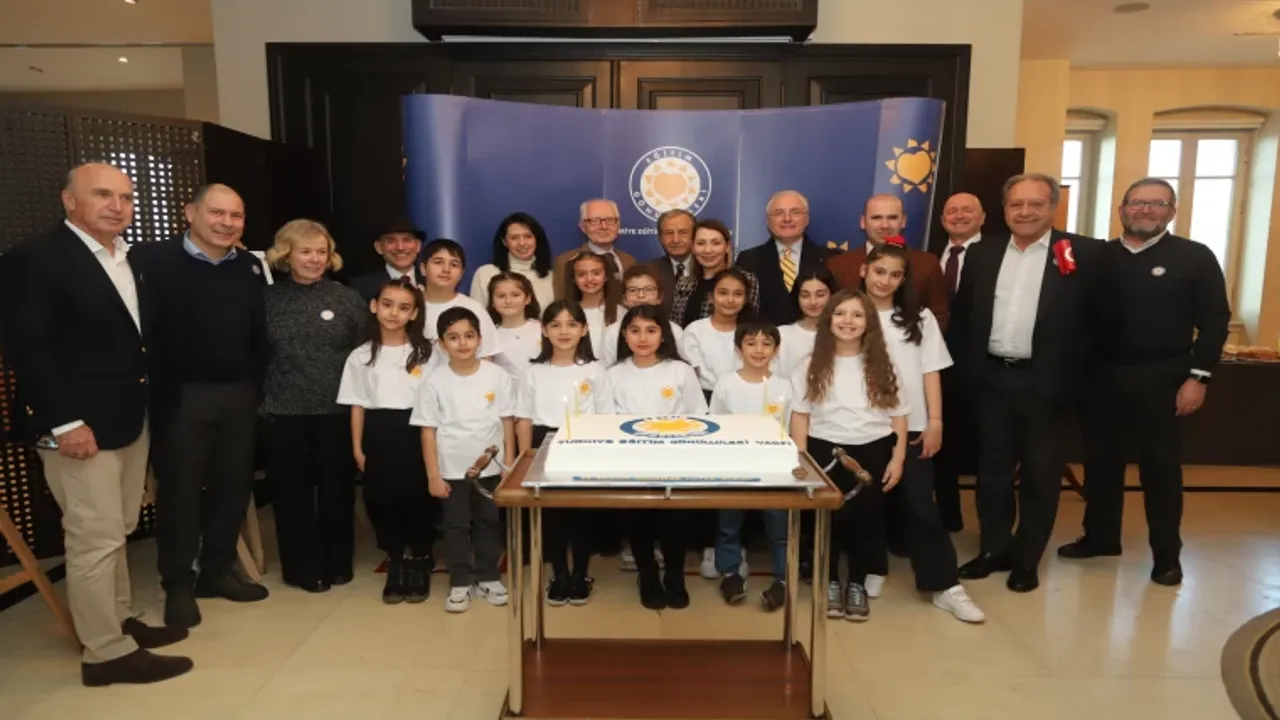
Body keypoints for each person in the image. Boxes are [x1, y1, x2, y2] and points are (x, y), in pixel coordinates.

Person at [2, 163, 192, 685]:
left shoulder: (127, 257)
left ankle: (119, 621)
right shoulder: (34, 259)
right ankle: (105, 653)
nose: (117, 206)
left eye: (126, 197)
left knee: (118, 529)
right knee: (94, 537)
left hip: (128, 417)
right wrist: (65, 423)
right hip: (77, 427)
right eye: (103, 194)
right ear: (69, 200)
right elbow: (27, 349)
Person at [1062, 177, 1230, 587]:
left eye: (1156, 204)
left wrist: (1199, 377)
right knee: (1100, 464)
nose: (1145, 210)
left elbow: (1214, 321)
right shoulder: (1097, 256)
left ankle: (1166, 555)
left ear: (1171, 211)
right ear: (1122, 209)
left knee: (1161, 470)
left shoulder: (1195, 257)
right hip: (1100, 378)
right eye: (1137, 203)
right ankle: (1101, 538)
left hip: (1163, 378)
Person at [951, 173, 1111, 594]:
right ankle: (993, 549)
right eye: (1016, 204)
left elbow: (1103, 321)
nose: (1025, 212)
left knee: (1041, 475)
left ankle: (1026, 559)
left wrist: (1078, 378)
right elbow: (965, 316)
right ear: (1004, 209)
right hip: (992, 380)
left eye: (1035, 204)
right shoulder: (983, 253)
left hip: (1048, 385)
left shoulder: (1082, 253)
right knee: (992, 474)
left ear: (1052, 207)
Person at [131, 183, 269, 630]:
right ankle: (178, 583)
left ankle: (217, 571)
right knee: (181, 492)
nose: (227, 223)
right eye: (217, 213)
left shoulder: (249, 266)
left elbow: (257, 331)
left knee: (232, 486)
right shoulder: (150, 261)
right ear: (190, 212)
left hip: (239, 393)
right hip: (181, 396)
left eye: (236, 215)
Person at [858, 242, 985, 623]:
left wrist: (935, 422)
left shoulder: (919, 318)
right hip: (860, 427)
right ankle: (870, 569)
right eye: (879, 271)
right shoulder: (847, 313)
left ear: (903, 280)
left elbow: (931, 371)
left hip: (912, 426)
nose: (885, 281)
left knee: (920, 506)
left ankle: (946, 586)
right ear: (864, 271)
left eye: (895, 275)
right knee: (866, 504)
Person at [260, 219, 366, 593]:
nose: (315, 259)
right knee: (292, 494)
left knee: (337, 492)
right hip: (283, 411)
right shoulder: (267, 300)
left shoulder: (347, 299)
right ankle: (301, 567)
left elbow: (363, 353)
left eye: (322, 251)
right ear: (286, 255)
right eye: (305, 251)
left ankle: (338, 562)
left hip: (336, 411)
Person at [790, 289, 908, 622]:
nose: (848, 321)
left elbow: (899, 416)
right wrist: (801, 460)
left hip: (872, 449)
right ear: (829, 320)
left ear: (868, 322)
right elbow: (800, 415)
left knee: (866, 521)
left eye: (857, 315)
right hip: (823, 449)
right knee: (827, 521)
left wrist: (898, 458)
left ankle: (856, 583)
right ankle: (828, 581)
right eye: (841, 313)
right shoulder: (809, 365)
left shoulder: (884, 366)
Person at [337, 278, 436, 604]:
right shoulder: (361, 356)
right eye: (388, 304)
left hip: (418, 429)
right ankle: (395, 559)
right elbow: (357, 404)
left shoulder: (427, 352)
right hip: (379, 432)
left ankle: (420, 558)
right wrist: (357, 447)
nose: (394, 313)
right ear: (374, 306)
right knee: (382, 498)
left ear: (414, 313)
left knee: (418, 497)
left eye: (404, 307)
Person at [413, 306, 514, 613]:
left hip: (491, 469)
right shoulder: (433, 381)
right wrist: (433, 475)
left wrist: (509, 465)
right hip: (451, 469)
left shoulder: (497, 376)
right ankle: (460, 581)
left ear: (480, 339)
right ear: (442, 343)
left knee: (488, 522)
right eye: (453, 337)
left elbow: (507, 421)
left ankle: (489, 576)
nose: (462, 343)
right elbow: (428, 431)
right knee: (455, 525)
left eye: (469, 335)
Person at [608, 305, 708, 610]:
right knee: (638, 520)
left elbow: (698, 416)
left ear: (663, 335)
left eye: (651, 330)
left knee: (674, 522)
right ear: (624, 335)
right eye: (635, 330)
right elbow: (605, 421)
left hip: (674, 460)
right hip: (630, 461)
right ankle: (648, 575)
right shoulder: (613, 375)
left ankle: (675, 577)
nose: (643, 338)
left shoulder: (680, 371)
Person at [516, 301, 613, 605]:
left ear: (584, 329)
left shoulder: (595, 370)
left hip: (584, 441)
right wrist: (525, 458)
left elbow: (605, 416)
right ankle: (559, 574)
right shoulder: (533, 371)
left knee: (581, 514)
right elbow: (523, 418)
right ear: (544, 331)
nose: (564, 331)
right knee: (551, 514)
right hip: (543, 441)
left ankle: (581, 573)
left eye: (572, 324)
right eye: (555, 325)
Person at [710, 319, 791, 612]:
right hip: (733, 468)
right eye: (751, 343)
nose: (759, 350)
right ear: (738, 349)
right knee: (728, 524)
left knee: (780, 528)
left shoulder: (784, 387)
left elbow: (790, 429)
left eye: (766, 344)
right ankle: (730, 574)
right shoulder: (725, 384)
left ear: (776, 350)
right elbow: (714, 426)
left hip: (774, 469)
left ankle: (782, 579)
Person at [680, 267, 754, 578]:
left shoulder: (751, 331)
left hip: (744, 405)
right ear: (711, 297)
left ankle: (733, 544)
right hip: (704, 403)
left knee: (737, 478)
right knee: (707, 477)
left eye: (738, 294)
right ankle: (707, 544)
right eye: (723, 293)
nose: (730, 300)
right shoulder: (695, 330)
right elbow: (696, 373)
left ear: (746, 298)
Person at [932, 192, 987, 532]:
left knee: (985, 449)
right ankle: (948, 516)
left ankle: (989, 529)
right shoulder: (928, 256)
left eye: (968, 210)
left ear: (983, 218)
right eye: (952, 211)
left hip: (979, 367)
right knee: (940, 446)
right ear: (942, 219)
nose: (960, 216)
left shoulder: (994, 254)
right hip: (934, 367)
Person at [825, 194, 950, 331]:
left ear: (903, 221)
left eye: (892, 218)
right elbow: (828, 316)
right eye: (876, 218)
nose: (884, 225)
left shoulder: (927, 264)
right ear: (863, 222)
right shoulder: (837, 265)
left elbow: (939, 316)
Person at [736, 190, 837, 327]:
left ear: (806, 219)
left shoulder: (831, 259)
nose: (787, 219)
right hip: (764, 338)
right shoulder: (748, 260)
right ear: (768, 221)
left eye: (795, 212)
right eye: (779, 213)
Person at [419, 238, 501, 364]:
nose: (446, 269)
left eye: (454, 264)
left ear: (462, 273)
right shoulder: (409, 306)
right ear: (423, 268)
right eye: (438, 262)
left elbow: (486, 357)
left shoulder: (474, 308)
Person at [670, 219, 760, 327]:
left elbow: (749, 326)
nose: (708, 250)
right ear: (693, 247)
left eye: (716, 243)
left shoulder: (746, 279)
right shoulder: (684, 283)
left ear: (727, 247)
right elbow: (676, 327)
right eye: (701, 243)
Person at [600, 264, 684, 368]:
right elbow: (609, 368)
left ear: (659, 297)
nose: (641, 295)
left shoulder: (675, 330)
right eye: (633, 290)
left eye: (648, 289)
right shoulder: (613, 332)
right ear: (624, 298)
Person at [469, 212, 555, 311]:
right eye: (514, 238)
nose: (522, 243)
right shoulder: (485, 273)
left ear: (537, 239)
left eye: (528, 236)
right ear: (504, 242)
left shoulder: (551, 277)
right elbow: (476, 316)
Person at [552, 199, 637, 297]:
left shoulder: (629, 260)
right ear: (583, 226)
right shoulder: (567, 261)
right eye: (595, 221)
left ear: (618, 225)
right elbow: (562, 301)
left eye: (610, 220)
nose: (604, 227)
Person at [561, 250, 623, 359]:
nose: (589, 279)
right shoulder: (564, 313)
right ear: (574, 279)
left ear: (606, 276)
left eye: (596, 273)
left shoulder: (621, 313)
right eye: (581, 274)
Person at [777, 268, 837, 379]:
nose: (813, 302)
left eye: (820, 295)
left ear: (832, 295)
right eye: (805, 295)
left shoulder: (842, 333)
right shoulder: (782, 334)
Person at [348, 217, 425, 301]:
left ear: (418, 246)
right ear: (378, 247)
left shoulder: (431, 281)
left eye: (406, 240)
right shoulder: (361, 288)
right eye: (391, 241)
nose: (400, 247)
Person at [486, 271, 543, 385]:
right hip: (506, 393)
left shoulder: (543, 329)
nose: (508, 301)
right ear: (492, 301)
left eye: (515, 295)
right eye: (501, 296)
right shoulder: (489, 335)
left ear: (528, 298)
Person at [643, 209, 696, 317]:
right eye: (669, 233)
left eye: (683, 232)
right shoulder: (648, 270)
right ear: (660, 238)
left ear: (694, 236)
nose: (675, 240)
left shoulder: (706, 269)